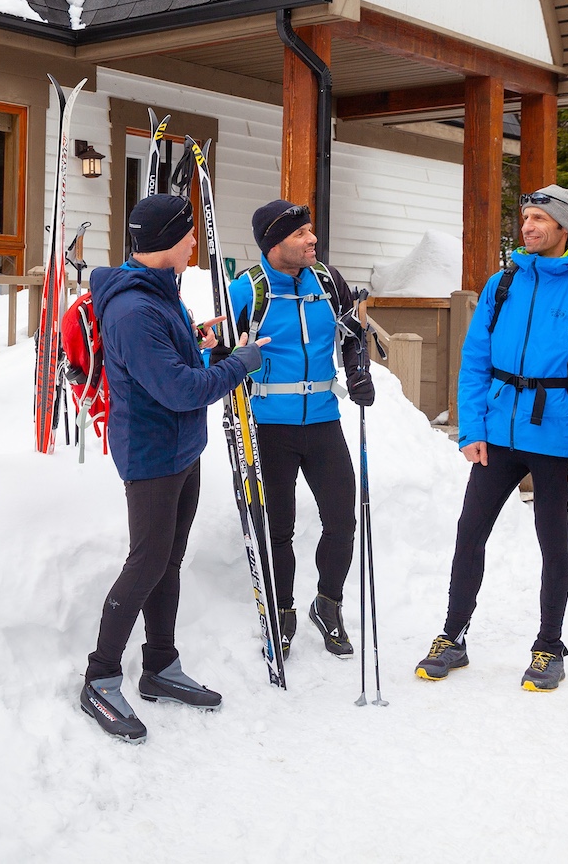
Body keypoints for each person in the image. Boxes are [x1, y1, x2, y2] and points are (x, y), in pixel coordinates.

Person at [415, 183, 568, 691]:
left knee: (553, 545)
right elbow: (475, 361)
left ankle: (548, 647)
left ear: (564, 228)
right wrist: (472, 428)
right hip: (499, 431)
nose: (528, 226)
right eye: (526, 216)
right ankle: (453, 636)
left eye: (539, 218)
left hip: (557, 439)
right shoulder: (502, 284)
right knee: (470, 534)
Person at [79, 193, 267, 744]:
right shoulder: (135, 310)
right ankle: (99, 676)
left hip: (182, 450)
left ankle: (159, 665)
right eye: (188, 236)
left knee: (169, 559)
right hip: (152, 454)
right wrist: (239, 363)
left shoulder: (162, 296)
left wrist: (201, 342)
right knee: (148, 561)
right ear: (167, 242)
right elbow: (181, 390)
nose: (194, 244)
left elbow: (175, 367)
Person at [226, 199, 375, 662]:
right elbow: (219, 351)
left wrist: (358, 373)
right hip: (270, 427)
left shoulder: (329, 283)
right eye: (300, 234)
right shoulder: (247, 290)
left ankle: (327, 604)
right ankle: (282, 612)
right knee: (278, 529)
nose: (312, 240)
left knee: (343, 520)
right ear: (275, 244)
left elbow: (353, 334)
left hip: (324, 421)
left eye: (311, 231)